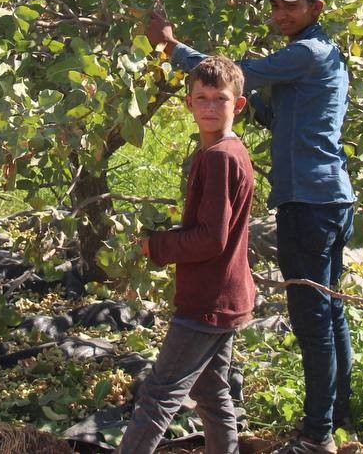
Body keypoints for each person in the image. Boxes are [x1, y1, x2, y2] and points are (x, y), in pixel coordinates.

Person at [147, 0, 354, 454]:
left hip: (310, 201)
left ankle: (317, 436)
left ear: (316, 9)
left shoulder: (307, 52)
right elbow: (277, 112)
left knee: (312, 319)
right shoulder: (318, 56)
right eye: (276, 5)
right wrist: (254, 110)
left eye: (292, 6)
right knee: (330, 312)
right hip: (330, 197)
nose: (281, 14)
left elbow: (233, 78)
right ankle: (336, 417)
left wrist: (170, 46)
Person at [119, 56, 256, 454]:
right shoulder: (227, 153)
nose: (211, 107)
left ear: (239, 105)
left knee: (159, 395)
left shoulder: (220, 158)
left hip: (207, 301)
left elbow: (210, 240)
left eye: (221, 99)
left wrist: (155, 246)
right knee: (212, 394)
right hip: (227, 295)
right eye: (202, 98)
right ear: (188, 104)